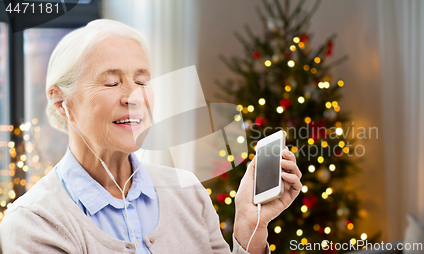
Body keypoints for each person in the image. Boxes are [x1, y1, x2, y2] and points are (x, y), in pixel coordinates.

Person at [0, 19, 302, 254]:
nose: (134, 96)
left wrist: (250, 228)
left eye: (142, 80)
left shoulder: (188, 193)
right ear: (60, 102)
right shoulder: (34, 224)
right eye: (111, 82)